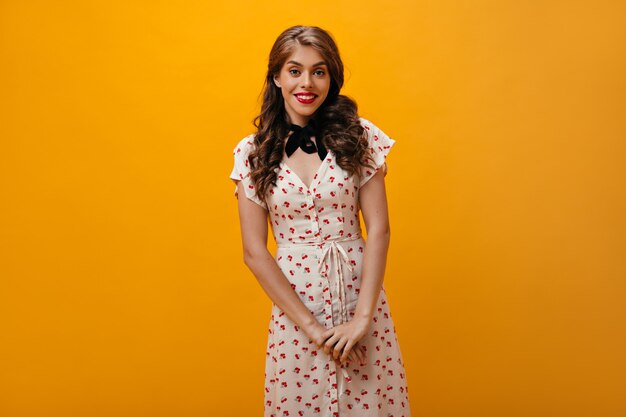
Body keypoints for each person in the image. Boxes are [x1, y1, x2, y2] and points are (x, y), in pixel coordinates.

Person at [229, 25, 411, 417]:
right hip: (296, 310)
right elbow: (254, 252)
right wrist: (312, 329)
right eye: (294, 71)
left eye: (319, 70)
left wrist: (362, 318)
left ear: (332, 77)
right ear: (276, 77)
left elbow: (378, 230)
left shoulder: (360, 137)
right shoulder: (251, 153)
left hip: (360, 300)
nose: (306, 83)